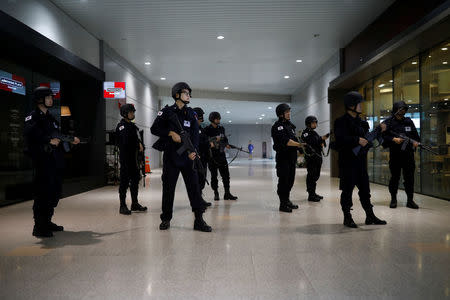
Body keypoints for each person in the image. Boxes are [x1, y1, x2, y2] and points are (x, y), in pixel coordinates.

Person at [151, 82, 211, 232]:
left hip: (187, 158)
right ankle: (166, 218)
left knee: (194, 189)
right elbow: (154, 128)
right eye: (186, 93)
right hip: (171, 157)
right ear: (177, 94)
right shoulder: (166, 112)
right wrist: (170, 133)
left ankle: (199, 220)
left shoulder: (191, 113)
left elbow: (195, 135)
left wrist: (194, 151)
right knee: (168, 188)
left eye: (189, 93)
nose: (188, 95)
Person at [24, 86, 80, 237]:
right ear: (40, 99)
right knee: (42, 193)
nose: (51, 99)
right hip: (42, 161)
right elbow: (31, 135)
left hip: (54, 161)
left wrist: (69, 139)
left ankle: (47, 221)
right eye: (48, 97)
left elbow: (58, 134)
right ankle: (39, 226)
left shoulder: (50, 117)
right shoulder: (33, 117)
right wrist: (48, 140)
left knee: (54, 192)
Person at [334, 91, 387, 228]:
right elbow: (340, 141)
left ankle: (370, 215)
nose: (361, 106)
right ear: (351, 105)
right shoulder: (340, 121)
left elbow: (368, 141)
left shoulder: (362, 122)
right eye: (359, 103)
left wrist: (379, 131)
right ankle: (347, 217)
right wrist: (356, 140)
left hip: (360, 162)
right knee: (347, 191)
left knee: (365, 190)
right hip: (347, 162)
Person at [382, 101, 420, 209]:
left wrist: (416, 142)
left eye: (404, 109)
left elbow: (416, 137)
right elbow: (382, 136)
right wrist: (393, 139)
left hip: (408, 155)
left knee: (409, 178)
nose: (402, 111)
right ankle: (393, 199)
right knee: (395, 178)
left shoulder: (409, 122)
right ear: (396, 109)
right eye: (400, 109)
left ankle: (410, 200)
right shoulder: (388, 122)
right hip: (395, 155)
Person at [115, 104, 147, 215]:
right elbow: (125, 142)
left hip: (134, 159)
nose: (133, 114)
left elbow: (137, 139)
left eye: (133, 112)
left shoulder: (133, 126)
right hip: (126, 159)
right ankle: (122, 205)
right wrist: (137, 144)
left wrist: (140, 145)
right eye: (131, 112)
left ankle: (134, 203)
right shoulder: (121, 126)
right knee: (124, 182)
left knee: (135, 180)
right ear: (125, 114)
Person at [271, 103, 302, 213]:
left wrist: (299, 147)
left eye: (289, 111)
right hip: (283, 158)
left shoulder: (290, 125)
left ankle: (287, 200)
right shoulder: (277, 127)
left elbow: (294, 139)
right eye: (286, 112)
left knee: (290, 180)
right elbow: (287, 141)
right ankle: (282, 204)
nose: (289, 113)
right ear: (280, 114)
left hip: (291, 158)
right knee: (284, 181)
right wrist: (300, 145)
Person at [204, 112, 238, 201]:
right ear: (212, 119)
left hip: (221, 156)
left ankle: (227, 193)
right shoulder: (206, 129)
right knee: (214, 176)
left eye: (219, 118)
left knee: (226, 176)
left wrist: (226, 144)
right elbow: (205, 142)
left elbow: (225, 140)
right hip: (212, 157)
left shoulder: (221, 128)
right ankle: (216, 193)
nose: (218, 120)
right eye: (217, 119)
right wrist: (212, 142)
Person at [301, 116, 328, 202]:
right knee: (311, 176)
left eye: (316, 122)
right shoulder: (305, 133)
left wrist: (322, 140)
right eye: (313, 123)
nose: (315, 124)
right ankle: (311, 195)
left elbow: (318, 140)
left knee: (316, 175)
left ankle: (313, 192)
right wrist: (321, 139)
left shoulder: (314, 132)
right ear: (308, 124)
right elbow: (313, 141)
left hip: (317, 157)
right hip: (311, 158)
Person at [193, 107, 212, 207]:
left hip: (203, 158)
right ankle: (197, 201)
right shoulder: (192, 129)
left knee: (201, 179)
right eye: (200, 118)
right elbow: (198, 143)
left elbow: (204, 141)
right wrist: (208, 144)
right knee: (197, 180)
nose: (201, 120)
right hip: (196, 159)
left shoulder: (200, 129)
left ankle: (200, 199)